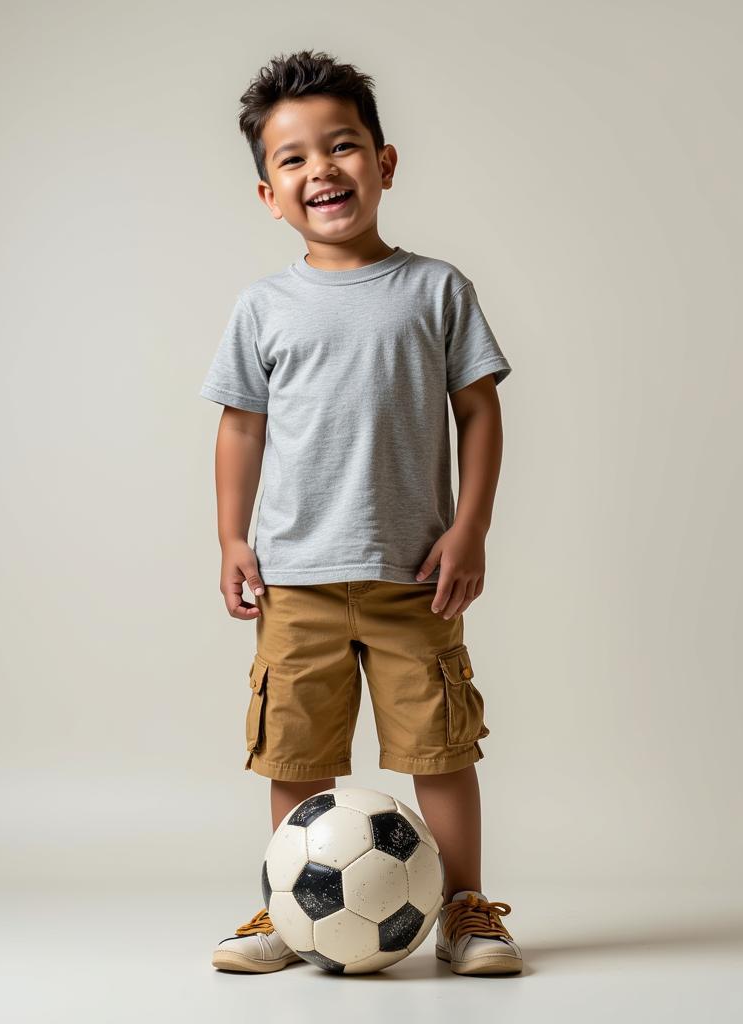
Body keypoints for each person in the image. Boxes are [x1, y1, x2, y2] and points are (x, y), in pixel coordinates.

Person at [202, 49, 522, 976]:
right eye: (293, 160)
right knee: (295, 754)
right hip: (295, 578)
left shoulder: (436, 290)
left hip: (413, 574)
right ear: (268, 195)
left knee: (441, 746)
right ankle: (290, 912)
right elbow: (240, 430)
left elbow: (480, 411)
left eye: (341, 147)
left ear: (384, 162)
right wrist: (231, 536)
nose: (321, 171)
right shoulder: (263, 309)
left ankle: (467, 910)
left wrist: (472, 526)